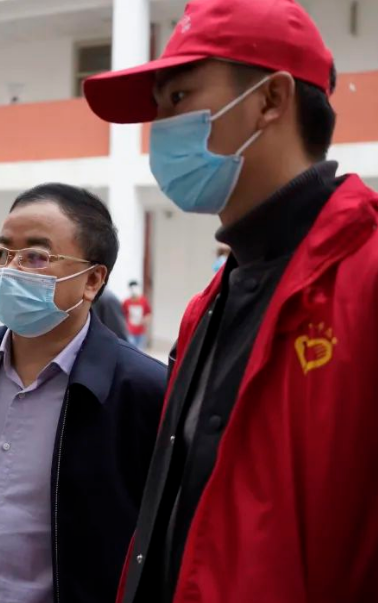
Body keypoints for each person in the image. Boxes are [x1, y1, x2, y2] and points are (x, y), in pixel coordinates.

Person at [83, 1, 378, 601]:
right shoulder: (209, 304)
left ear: (270, 100)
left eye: (178, 98)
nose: (160, 128)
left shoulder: (366, 279)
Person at [0, 184, 166, 603]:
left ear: (92, 280)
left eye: (35, 256)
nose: (10, 270)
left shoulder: (143, 390)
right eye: (2, 253)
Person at [122, 280, 152, 350]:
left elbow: (148, 313)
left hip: (141, 332)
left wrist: (146, 320)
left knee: (141, 351)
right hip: (130, 332)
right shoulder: (126, 302)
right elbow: (122, 315)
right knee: (131, 349)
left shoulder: (143, 301)